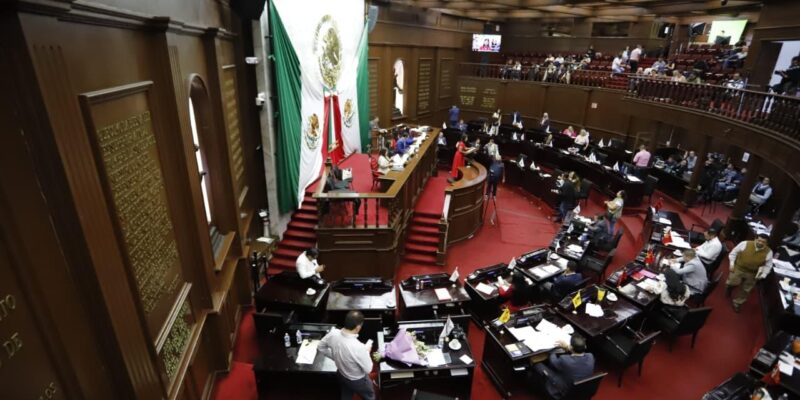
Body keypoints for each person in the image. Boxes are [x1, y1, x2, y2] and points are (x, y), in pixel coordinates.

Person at [318, 310, 375, 400]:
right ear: (358, 327)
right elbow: (368, 369)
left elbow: (320, 347)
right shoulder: (359, 347)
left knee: (346, 393)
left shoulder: (333, 334)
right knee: (369, 395)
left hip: (341, 374)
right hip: (357, 380)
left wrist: (334, 357)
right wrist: (367, 352)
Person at [531, 334, 595, 400]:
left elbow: (553, 361)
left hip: (565, 390)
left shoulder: (565, 360)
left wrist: (552, 350)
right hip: (582, 389)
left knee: (538, 365)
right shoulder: (590, 356)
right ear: (585, 346)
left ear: (571, 347)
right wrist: (567, 347)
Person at [727, 234, 773, 312]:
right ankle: (729, 287)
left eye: (763, 242)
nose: (760, 243)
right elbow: (733, 253)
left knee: (746, 290)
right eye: (759, 240)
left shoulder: (769, 252)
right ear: (755, 239)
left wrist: (763, 274)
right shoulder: (745, 243)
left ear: (767, 243)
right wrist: (731, 264)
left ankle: (737, 303)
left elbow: (768, 265)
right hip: (739, 268)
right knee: (731, 282)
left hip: (752, 273)